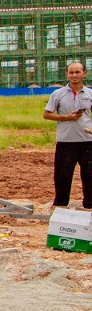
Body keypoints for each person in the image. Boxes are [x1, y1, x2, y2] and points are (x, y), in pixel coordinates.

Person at [44, 60, 92, 209]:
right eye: (71, 72)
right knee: (62, 176)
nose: (74, 75)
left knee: (89, 176)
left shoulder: (90, 94)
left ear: (84, 73)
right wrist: (66, 117)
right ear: (67, 74)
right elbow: (47, 114)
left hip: (88, 142)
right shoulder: (58, 94)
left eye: (77, 72)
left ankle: (89, 206)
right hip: (66, 142)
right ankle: (60, 206)